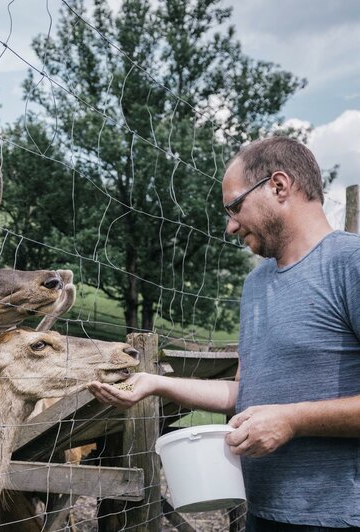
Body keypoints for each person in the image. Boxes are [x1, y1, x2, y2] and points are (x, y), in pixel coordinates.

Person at [87, 137, 360, 530]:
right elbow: (243, 393)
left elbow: (283, 416)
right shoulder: (255, 285)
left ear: (279, 186)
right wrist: (154, 383)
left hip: (339, 516)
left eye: (235, 206)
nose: (230, 225)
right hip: (264, 512)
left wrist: (294, 420)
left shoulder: (348, 264)